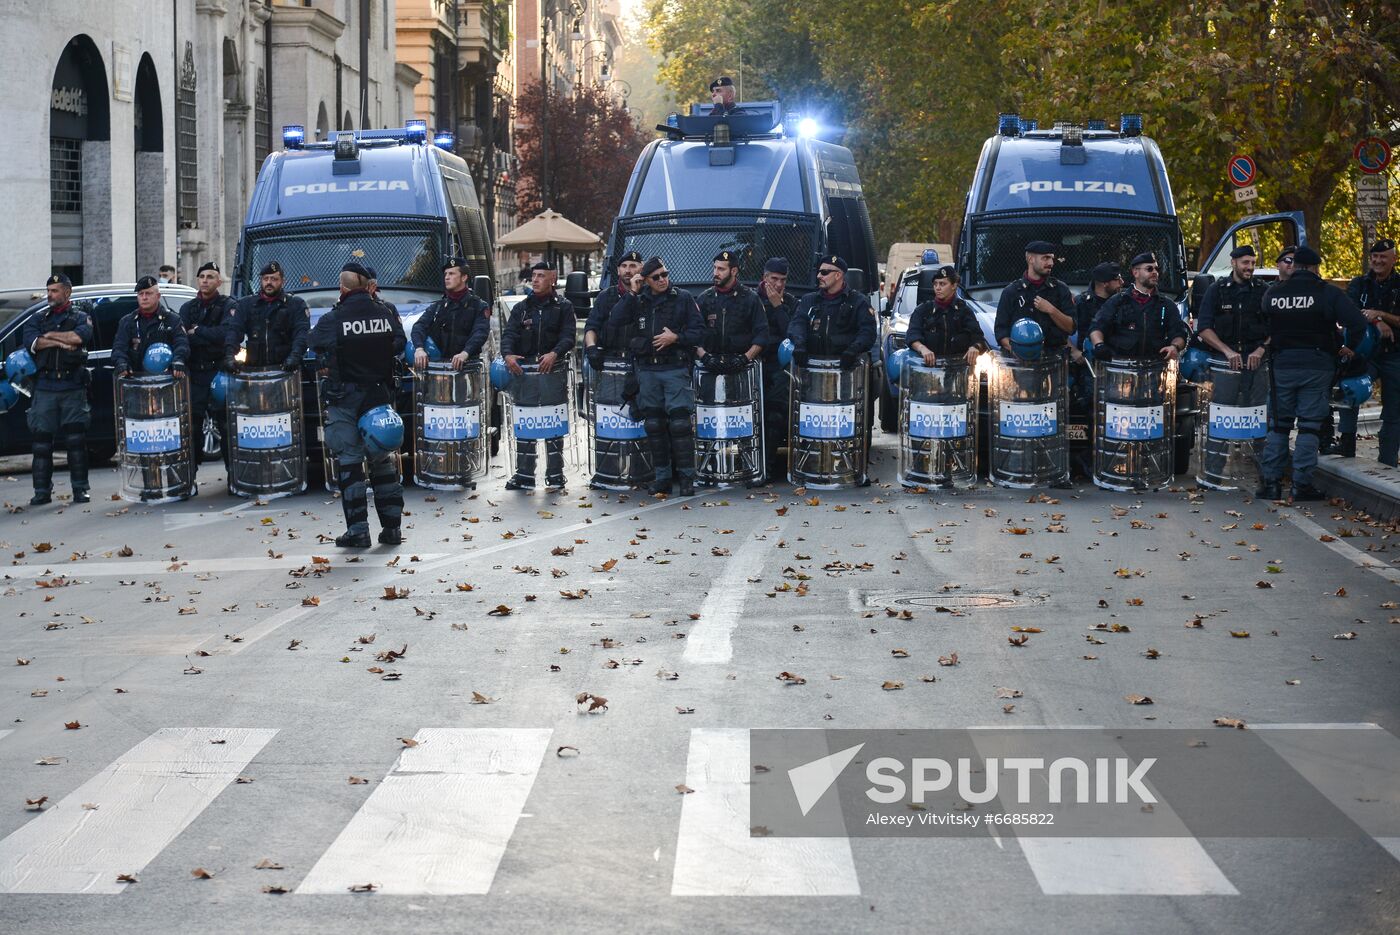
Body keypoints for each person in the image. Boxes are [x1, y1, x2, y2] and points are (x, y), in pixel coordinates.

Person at [1256, 245, 1370, 502]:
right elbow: (1358, 323)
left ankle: (1271, 484)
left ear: (1295, 266)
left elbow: (1262, 323)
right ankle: (1301, 485)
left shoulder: (1273, 294)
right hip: (1317, 366)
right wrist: (1348, 348)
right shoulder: (1327, 293)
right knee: (1309, 427)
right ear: (1315, 267)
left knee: (1279, 426)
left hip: (1282, 365)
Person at [307, 262, 407, 547]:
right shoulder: (385, 312)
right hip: (379, 397)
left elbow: (314, 342)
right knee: (382, 460)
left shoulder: (334, 318)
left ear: (343, 288)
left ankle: (358, 531)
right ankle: (392, 529)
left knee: (350, 463)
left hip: (345, 398)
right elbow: (399, 344)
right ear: (368, 286)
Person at [608, 256, 704, 495]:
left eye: (665, 274)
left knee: (681, 424)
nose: (663, 280)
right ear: (646, 280)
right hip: (648, 371)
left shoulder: (682, 298)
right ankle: (661, 477)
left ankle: (686, 478)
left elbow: (700, 332)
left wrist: (677, 338)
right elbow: (615, 321)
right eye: (656, 277)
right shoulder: (638, 301)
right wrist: (632, 292)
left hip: (675, 369)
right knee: (654, 425)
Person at [501, 262, 577, 493]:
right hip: (525, 376)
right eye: (533, 276)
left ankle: (555, 474)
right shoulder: (521, 308)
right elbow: (509, 335)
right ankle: (524, 475)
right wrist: (508, 355)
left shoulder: (563, 307)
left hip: (552, 374)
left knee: (552, 423)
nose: (534, 280)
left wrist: (555, 353)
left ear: (552, 279)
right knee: (526, 424)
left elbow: (569, 336)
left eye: (541, 276)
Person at [20, 274, 94, 505]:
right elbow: (33, 343)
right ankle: (42, 492)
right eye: (48, 290)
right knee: (41, 443)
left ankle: (80, 489)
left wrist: (50, 336)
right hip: (45, 386)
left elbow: (78, 337)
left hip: (72, 385)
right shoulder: (38, 318)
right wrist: (60, 342)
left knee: (76, 441)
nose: (50, 294)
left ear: (67, 292)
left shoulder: (81, 317)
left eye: (54, 290)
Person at [1336, 239, 1400, 463]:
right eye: (1375, 256)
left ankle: (1388, 461)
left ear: (1394, 259)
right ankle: (1346, 445)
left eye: (1384, 257)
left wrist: (1380, 314)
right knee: (1350, 389)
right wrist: (1376, 322)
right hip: (1365, 353)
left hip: (1394, 354)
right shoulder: (1359, 284)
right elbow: (1349, 313)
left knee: (1394, 411)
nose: (1378, 261)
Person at [178, 261, 236, 478]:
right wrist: (205, 336)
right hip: (196, 375)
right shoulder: (188, 308)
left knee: (226, 426)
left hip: (219, 373)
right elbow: (183, 337)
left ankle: (233, 475)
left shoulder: (228, 305)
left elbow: (226, 334)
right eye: (202, 276)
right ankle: (189, 477)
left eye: (210, 276)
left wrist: (199, 331)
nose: (205, 280)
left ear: (219, 281)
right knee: (191, 427)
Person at [1088, 252, 1187, 362]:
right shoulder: (1117, 301)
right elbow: (1096, 327)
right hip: (1120, 368)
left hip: (1155, 368)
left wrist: (1175, 347)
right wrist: (1099, 345)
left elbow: (1180, 334)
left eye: (1156, 269)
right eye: (1149, 269)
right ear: (1135, 273)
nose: (1155, 272)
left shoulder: (1167, 304)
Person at [787, 255, 876, 368]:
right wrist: (799, 344)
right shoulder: (809, 300)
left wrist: (854, 349)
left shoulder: (858, 301)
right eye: (819, 272)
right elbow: (797, 324)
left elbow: (868, 331)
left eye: (824, 272)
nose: (819, 276)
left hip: (846, 370)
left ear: (838, 275)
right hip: (811, 368)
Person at [994, 241, 1076, 358]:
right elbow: (1001, 332)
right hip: (1020, 364)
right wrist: (1020, 353)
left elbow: (1071, 328)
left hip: (1054, 361)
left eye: (1052, 258)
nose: (1051, 263)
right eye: (1046, 258)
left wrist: (1051, 310)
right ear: (1031, 259)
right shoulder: (1011, 292)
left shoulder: (1061, 289)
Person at [224, 261, 309, 372]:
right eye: (266, 279)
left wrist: (295, 356)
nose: (269, 282)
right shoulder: (246, 304)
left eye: (274, 279)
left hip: (285, 370)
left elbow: (302, 332)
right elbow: (234, 331)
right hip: (254, 371)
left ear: (283, 282)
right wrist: (230, 356)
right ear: (261, 280)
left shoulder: (295, 304)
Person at [1194, 246, 1269, 370]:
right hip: (1224, 361)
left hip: (1258, 363)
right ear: (1233, 263)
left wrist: (1261, 349)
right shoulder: (1216, 290)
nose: (1250, 267)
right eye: (1245, 262)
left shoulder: (1264, 290)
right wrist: (1227, 351)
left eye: (1253, 263)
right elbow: (1204, 328)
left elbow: (1276, 326)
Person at [411, 259, 490, 371]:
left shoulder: (478, 306)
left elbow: (480, 333)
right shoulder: (438, 307)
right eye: (446, 274)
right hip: (439, 370)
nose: (447, 277)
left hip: (467, 368)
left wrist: (465, 353)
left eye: (451, 273)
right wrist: (419, 348)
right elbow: (418, 326)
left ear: (464, 277)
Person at [758, 257, 798, 479]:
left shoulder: (790, 302)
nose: (779, 284)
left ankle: (767, 467)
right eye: (775, 279)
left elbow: (793, 333)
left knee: (775, 412)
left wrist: (778, 308)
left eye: (783, 279)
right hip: (754, 361)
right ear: (765, 278)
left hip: (779, 366)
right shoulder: (751, 299)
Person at [696, 250, 768, 371]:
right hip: (709, 366)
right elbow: (693, 333)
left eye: (721, 269)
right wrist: (704, 357)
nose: (715, 273)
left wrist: (745, 358)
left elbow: (762, 334)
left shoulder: (751, 298)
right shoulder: (704, 299)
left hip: (743, 367)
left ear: (734, 271)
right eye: (714, 268)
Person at [904, 265, 985, 368]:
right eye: (935, 284)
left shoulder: (964, 311)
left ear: (954, 286)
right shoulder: (923, 310)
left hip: (958, 372)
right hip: (929, 371)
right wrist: (922, 348)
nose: (938, 288)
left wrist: (975, 347)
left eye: (942, 284)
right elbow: (912, 335)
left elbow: (979, 338)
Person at [113, 276, 190, 378]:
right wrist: (121, 363)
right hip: (136, 382)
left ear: (158, 296)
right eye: (141, 294)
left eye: (148, 293)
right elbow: (119, 348)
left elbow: (182, 344)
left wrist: (178, 360)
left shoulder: (172, 319)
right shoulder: (127, 321)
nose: (144, 297)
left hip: (166, 381)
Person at [584, 250, 643, 371]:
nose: (627, 270)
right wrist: (591, 348)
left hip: (642, 364)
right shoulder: (605, 296)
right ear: (618, 270)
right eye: (624, 266)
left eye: (633, 266)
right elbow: (591, 327)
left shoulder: (648, 296)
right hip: (610, 363)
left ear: (641, 269)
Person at [1073, 262, 1123, 348]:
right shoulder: (1081, 303)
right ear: (1105, 283)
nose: (1122, 282)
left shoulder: (1122, 302)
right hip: (1086, 357)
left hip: (1116, 355)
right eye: (1117, 279)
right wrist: (1074, 352)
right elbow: (1064, 330)